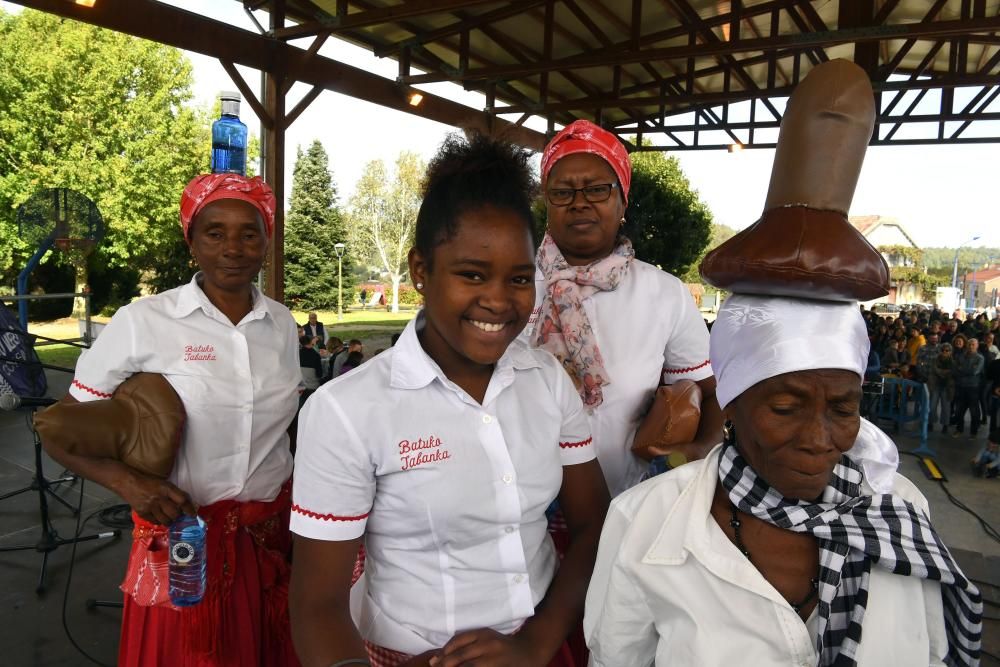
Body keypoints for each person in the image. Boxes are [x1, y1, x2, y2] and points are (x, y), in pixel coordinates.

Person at [585, 59, 981, 667]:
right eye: (787, 405)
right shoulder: (646, 523)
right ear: (733, 401)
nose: (821, 440)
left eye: (843, 407)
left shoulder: (903, 513)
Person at [289, 135, 610, 667]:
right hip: (409, 654)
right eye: (472, 274)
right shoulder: (347, 410)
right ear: (420, 270)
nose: (498, 301)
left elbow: (594, 523)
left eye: (519, 278)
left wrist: (534, 643)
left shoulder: (547, 380)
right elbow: (317, 604)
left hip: (548, 644)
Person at [41, 173, 301, 666]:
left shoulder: (281, 325)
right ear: (192, 240)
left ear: (267, 241)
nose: (233, 247)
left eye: (250, 232)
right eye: (215, 232)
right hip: (184, 538)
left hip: (267, 538)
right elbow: (61, 428)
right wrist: (128, 484)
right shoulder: (145, 321)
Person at [528, 119, 722, 497]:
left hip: (626, 501)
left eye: (598, 189)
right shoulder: (512, 283)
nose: (580, 202)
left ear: (623, 199)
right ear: (547, 202)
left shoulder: (664, 294)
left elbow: (710, 392)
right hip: (519, 506)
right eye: (563, 192)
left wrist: (702, 448)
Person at [952, 337, 984, 438]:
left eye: (973, 344)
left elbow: (974, 372)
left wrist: (962, 369)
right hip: (961, 386)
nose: (971, 346)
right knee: (959, 410)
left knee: (974, 411)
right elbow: (955, 370)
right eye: (969, 344)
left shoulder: (980, 358)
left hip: (973, 387)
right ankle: (959, 429)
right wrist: (964, 370)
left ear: (977, 346)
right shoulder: (961, 356)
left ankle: (973, 432)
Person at [930, 343, 956, 433]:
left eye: (947, 350)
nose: (944, 352)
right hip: (935, 385)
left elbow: (952, 372)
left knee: (946, 407)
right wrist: (944, 372)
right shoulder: (935, 360)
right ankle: (931, 423)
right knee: (932, 406)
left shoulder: (953, 362)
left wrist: (940, 372)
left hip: (947, 387)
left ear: (950, 352)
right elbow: (934, 369)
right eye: (943, 350)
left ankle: (945, 425)